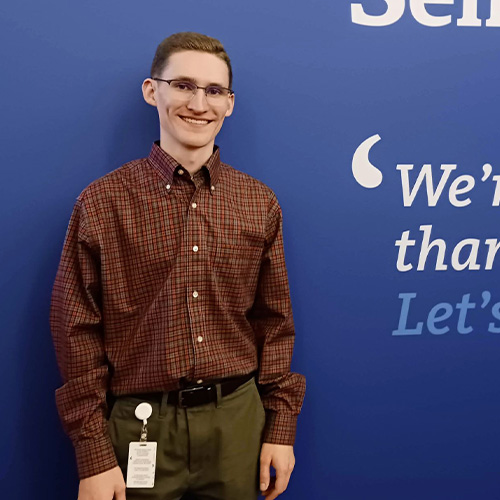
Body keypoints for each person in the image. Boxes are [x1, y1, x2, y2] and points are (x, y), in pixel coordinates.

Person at [50, 32, 305, 500]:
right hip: (138, 427)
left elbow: (275, 323)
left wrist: (281, 426)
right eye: (183, 85)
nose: (198, 103)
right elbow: (76, 331)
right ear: (154, 91)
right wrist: (93, 455)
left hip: (238, 423)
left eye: (214, 91)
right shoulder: (102, 202)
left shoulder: (259, 202)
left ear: (230, 104)